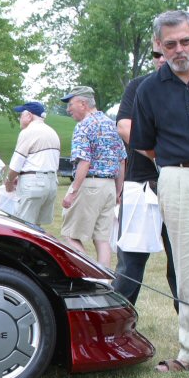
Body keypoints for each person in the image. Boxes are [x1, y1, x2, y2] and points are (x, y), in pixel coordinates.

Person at [132, 9, 189, 378]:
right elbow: (145, 145)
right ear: (158, 45)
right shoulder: (148, 89)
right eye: (171, 44)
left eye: (186, 41)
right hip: (179, 178)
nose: (180, 50)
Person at [113, 49, 177, 309]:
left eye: (169, 50)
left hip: (183, 188)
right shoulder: (139, 86)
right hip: (142, 185)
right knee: (130, 265)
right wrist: (163, 155)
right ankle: (115, 331)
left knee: (185, 266)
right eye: (157, 52)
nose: (162, 57)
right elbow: (125, 126)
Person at [59, 85, 125, 269]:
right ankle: (104, 282)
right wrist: (118, 191)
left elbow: (84, 162)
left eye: (70, 104)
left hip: (90, 185)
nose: (68, 109)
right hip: (110, 187)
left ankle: (92, 274)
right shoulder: (112, 125)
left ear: (83, 103)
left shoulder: (83, 126)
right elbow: (122, 161)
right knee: (102, 239)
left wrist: (72, 191)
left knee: (70, 236)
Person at [4, 101, 60, 226]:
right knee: (37, 229)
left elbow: (16, 165)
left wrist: (9, 181)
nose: (19, 118)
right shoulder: (52, 132)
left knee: (24, 227)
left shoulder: (28, 132)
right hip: (51, 184)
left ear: (29, 115)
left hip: (33, 184)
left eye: (21, 115)